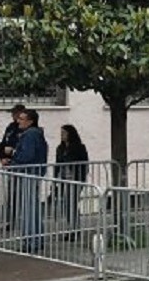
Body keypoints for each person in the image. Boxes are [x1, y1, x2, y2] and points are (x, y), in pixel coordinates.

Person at [9, 109, 48, 254]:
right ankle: (36, 239)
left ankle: (31, 241)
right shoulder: (36, 133)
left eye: (22, 118)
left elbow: (27, 155)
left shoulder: (30, 135)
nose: (18, 121)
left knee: (29, 209)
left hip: (29, 173)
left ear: (30, 121)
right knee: (32, 208)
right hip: (33, 173)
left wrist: (13, 160)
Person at [53, 124, 89, 240]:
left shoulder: (78, 147)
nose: (62, 135)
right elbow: (57, 164)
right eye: (61, 133)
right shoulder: (60, 148)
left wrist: (81, 177)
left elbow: (84, 163)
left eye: (64, 133)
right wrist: (55, 179)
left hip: (75, 179)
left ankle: (75, 229)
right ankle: (72, 227)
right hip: (64, 179)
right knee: (66, 204)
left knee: (71, 203)